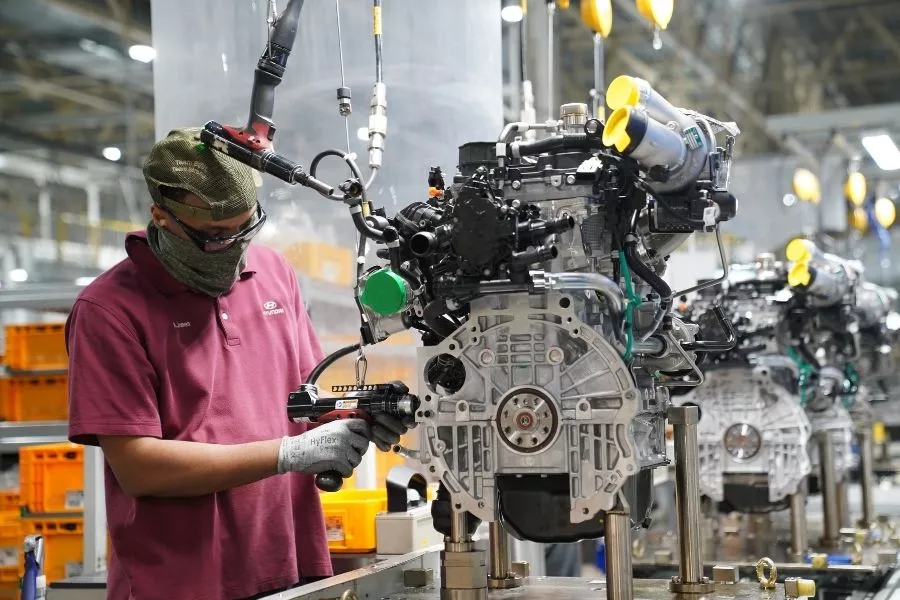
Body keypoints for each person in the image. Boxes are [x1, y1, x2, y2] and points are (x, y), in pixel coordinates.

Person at [65, 127, 412, 600]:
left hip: (288, 568)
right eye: (213, 237)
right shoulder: (109, 311)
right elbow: (138, 467)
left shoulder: (273, 273)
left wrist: (361, 417)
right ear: (161, 216)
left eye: (245, 229)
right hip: (180, 583)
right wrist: (287, 455)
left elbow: (303, 403)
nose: (232, 248)